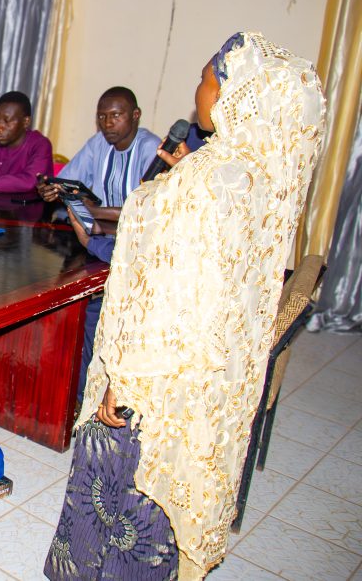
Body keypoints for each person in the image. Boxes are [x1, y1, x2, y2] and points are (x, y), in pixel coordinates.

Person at [44, 33, 327, 579]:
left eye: (204, 78)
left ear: (231, 93)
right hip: (209, 380)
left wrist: (124, 382)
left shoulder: (206, 184)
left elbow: (170, 296)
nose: (197, 91)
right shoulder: (260, 175)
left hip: (157, 379)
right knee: (171, 502)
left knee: (123, 505)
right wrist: (177, 179)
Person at [36, 86, 160, 401]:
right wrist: (52, 190)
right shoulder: (98, 143)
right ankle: (66, 385)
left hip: (136, 247)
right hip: (96, 238)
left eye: (116, 115)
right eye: (102, 116)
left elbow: (147, 210)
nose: (107, 123)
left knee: (93, 313)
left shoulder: (151, 149)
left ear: (135, 115)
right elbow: (69, 179)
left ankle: (88, 392)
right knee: (54, 288)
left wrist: (95, 211)